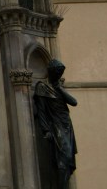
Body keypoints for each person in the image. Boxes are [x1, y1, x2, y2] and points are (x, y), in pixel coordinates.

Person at [34, 59, 78, 188]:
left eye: (60, 73)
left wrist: (59, 87)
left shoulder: (58, 88)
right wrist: (46, 130)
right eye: (57, 72)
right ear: (50, 72)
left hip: (67, 126)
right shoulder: (42, 87)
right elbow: (41, 111)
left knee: (68, 159)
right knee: (63, 160)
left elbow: (74, 102)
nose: (58, 74)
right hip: (56, 125)